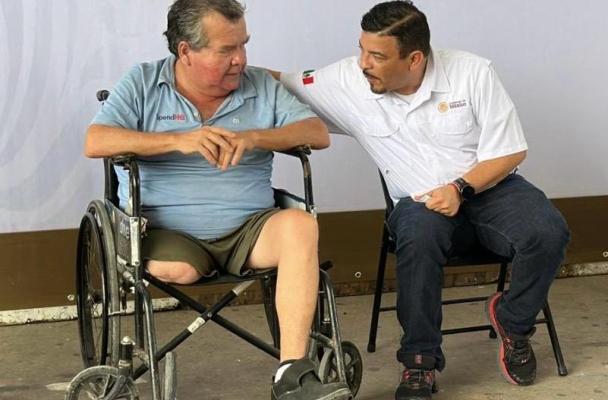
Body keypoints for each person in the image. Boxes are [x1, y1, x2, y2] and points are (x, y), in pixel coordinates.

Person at [274, 1, 570, 399]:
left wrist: (460, 188)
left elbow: (510, 151)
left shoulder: (472, 72)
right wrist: (217, 65)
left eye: (377, 56)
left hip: (489, 189)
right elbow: (279, 81)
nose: (363, 63)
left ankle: (513, 323)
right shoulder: (348, 79)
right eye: (361, 50)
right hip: (419, 203)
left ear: (415, 59)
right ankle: (419, 363)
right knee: (419, 235)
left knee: (548, 232)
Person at [84, 1, 352, 399]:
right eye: (226, 49)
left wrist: (255, 137)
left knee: (301, 226)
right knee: (178, 270)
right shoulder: (143, 82)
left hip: (249, 229)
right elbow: (96, 141)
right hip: (166, 231)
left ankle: (292, 375)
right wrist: (178, 140)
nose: (240, 59)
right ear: (186, 51)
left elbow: (316, 133)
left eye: (243, 44)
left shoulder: (259, 85)